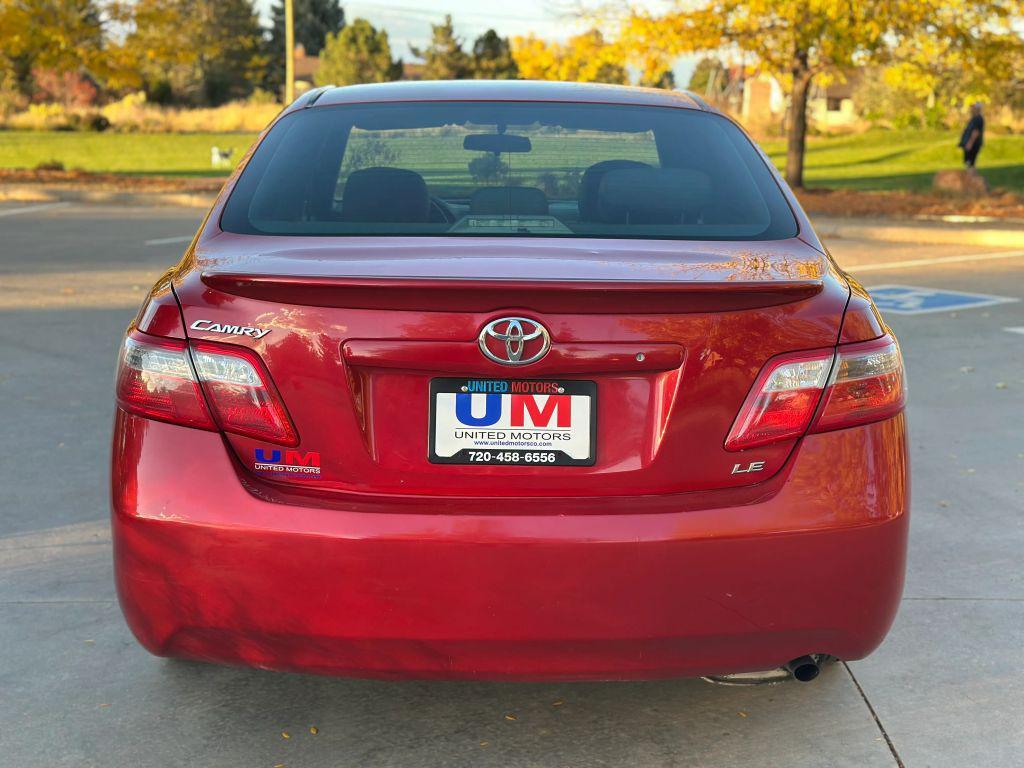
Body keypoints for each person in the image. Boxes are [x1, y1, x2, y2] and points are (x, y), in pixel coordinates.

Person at [958, 103, 985, 168]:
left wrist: (970, 143)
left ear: (978, 109)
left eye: (973, 108)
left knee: (970, 164)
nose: (972, 109)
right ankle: (971, 176)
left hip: (973, 144)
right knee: (968, 163)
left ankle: (972, 177)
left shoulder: (978, 119)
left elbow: (976, 132)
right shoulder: (974, 118)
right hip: (970, 144)